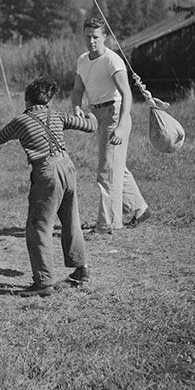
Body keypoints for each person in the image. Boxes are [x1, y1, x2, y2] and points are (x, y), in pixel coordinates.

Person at [0, 78, 95, 298]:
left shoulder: (21, 121)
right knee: (71, 221)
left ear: (27, 99)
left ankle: (43, 282)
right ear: (48, 101)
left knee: (39, 227)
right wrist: (90, 115)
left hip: (46, 173)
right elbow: (90, 126)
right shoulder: (57, 115)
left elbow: (0, 136)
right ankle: (81, 269)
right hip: (68, 168)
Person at [70, 16, 150, 233]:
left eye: (96, 37)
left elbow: (127, 95)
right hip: (97, 115)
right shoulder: (83, 60)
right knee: (115, 166)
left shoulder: (113, 61)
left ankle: (107, 225)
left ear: (105, 37)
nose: (91, 41)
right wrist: (76, 107)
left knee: (106, 171)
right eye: (88, 37)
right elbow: (78, 90)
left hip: (115, 114)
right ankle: (140, 208)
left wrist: (122, 126)